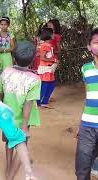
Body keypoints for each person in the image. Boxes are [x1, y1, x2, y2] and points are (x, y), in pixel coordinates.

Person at [0, 41, 41, 180]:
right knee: (22, 146)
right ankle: (9, 177)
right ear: (33, 59)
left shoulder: (6, 72)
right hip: (22, 120)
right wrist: (24, 125)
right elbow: (28, 103)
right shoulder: (34, 79)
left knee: (9, 141)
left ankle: (8, 166)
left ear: (14, 57)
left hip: (7, 116)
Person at [75, 28, 98, 180]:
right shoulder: (86, 69)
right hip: (88, 125)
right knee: (82, 169)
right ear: (89, 47)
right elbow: (88, 96)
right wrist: (80, 123)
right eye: (97, 42)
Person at [36, 27, 57, 108]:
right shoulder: (46, 45)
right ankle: (39, 102)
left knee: (50, 84)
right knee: (46, 85)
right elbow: (42, 57)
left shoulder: (47, 45)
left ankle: (43, 101)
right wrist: (53, 60)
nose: (54, 35)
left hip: (48, 68)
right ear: (49, 35)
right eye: (53, 33)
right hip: (45, 69)